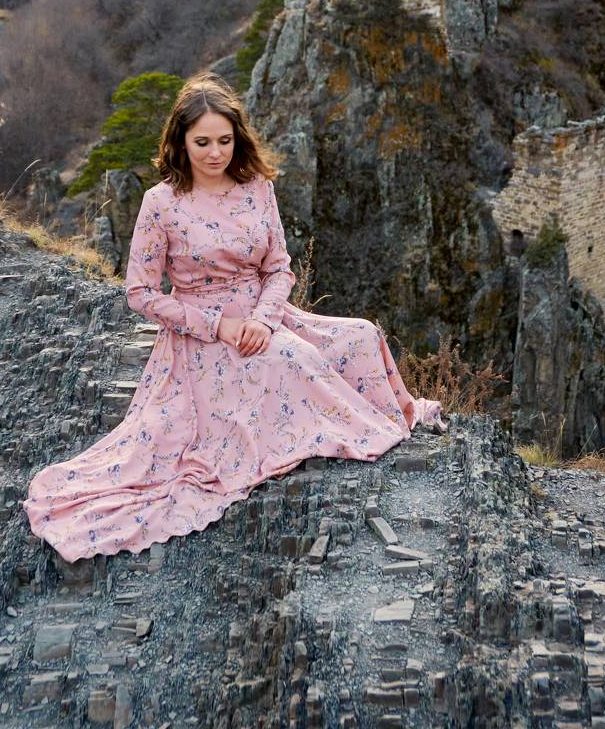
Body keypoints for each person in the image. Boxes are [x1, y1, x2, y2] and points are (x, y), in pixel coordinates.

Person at [22, 73, 446, 562]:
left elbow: (279, 268)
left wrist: (264, 320)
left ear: (237, 138)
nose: (214, 153)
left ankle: (373, 416)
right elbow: (140, 293)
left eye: (224, 140)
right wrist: (217, 326)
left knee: (362, 337)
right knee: (294, 360)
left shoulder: (257, 188)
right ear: (180, 142)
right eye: (202, 142)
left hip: (265, 316)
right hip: (204, 336)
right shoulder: (161, 203)